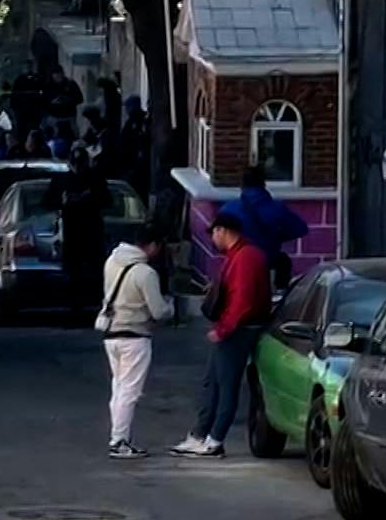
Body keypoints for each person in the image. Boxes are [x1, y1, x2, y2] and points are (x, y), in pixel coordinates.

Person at [171, 212, 272, 458]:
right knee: (213, 383)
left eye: (214, 233)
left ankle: (214, 440)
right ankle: (200, 434)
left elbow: (242, 301)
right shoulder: (240, 256)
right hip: (236, 328)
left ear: (222, 231)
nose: (213, 239)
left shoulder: (245, 258)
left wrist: (223, 328)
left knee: (225, 385)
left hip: (239, 330)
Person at [99, 224, 174, 459]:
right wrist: (170, 306)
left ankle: (120, 437)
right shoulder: (146, 272)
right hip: (135, 337)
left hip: (111, 333)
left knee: (119, 389)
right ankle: (119, 440)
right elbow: (158, 311)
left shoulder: (112, 261)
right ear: (151, 246)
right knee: (130, 391)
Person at [220, 166, 309, 292]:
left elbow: (219, 240)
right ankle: (280, 294)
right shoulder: (277, 208)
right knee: (283, 261)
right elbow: (301, 229)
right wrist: (278, 236)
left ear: (242, 185)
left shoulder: (229, 209)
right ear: (263, 184)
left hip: (239, 261)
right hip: (268, 259)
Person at [50, 152, 110, 310]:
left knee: (94, 271)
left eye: (81, 163)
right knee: (72, 272)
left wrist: (89, 197)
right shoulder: (61, 180)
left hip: (91, 230)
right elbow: (48, 201)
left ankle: (96, 304)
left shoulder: (96, 179)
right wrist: (62, 201)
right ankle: (74, 308)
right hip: (71, 230)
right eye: (75, 163)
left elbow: (107, 200)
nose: (78, 167)